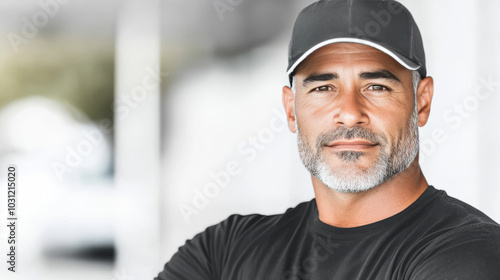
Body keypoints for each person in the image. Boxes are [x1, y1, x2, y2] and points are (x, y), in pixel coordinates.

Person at [156, 0, 500, 279]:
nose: (350, 113)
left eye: (376, 86)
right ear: (291, 110)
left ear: (421, 102)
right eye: (323, 88)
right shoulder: (225, 251)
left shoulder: (468, 254)